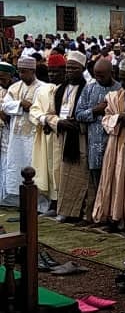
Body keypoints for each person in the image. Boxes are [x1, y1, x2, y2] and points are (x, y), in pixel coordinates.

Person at [93, 59, 125, 229]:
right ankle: (115, 217)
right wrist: (119, 117)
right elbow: (106, 119)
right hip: (117, 143)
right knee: (115, 179)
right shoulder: (114, 97)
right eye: (122, 78)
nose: (124, 82)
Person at [74, 56, 120, 217]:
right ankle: (96, 214)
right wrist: (95, 110)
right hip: (94, 144)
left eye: (102, 75)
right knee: (96, 181)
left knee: (115, 180)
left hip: (115, 143)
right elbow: (78, 114)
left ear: (111, 72)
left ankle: (112, 215)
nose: (98, 78)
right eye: (96, 75)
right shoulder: (89, 88)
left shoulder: (119, 89)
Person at [48, 51, 90, 222]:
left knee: (79, 175)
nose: (70, 71)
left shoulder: (88, 88)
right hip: (61, 137)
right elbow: (49, 113)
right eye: (68, 68)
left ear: (83, 68)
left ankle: (79, 212)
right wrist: (58, 122)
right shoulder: (59, 89)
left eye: (74, 68)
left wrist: (77, 123)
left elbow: (91, 114)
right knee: (61, 174)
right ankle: (63, 210)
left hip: (80, 138)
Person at [2, 58, 45, 206]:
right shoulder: (14, 88)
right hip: (17, 136)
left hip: (34, 135)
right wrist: (20, 104)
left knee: (34, 165)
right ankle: (17, 201)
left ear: (33, 71)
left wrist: (31, 107)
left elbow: (44, 107)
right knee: (17, 164)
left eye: (24, 72)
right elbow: (5, 106)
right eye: (19, 71)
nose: (21, 74)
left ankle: (38, 204)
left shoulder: (43, 88)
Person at [30, 52, 66, 214]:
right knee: (48, 168)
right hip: (46, 138)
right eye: (50, 71)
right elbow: (34, 111)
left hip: (62, 135)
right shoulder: (44, 90)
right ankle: (52, 202)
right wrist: (44, 120)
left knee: (60, 169)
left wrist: (52, 122)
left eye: (56, 71)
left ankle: (61, 203)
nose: (52, 74)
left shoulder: (68, 89)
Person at [0, 62, 17, 205]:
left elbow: (6, 115)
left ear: (10, 77)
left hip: (11, 131)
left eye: (3, 79)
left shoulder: (14, 90)